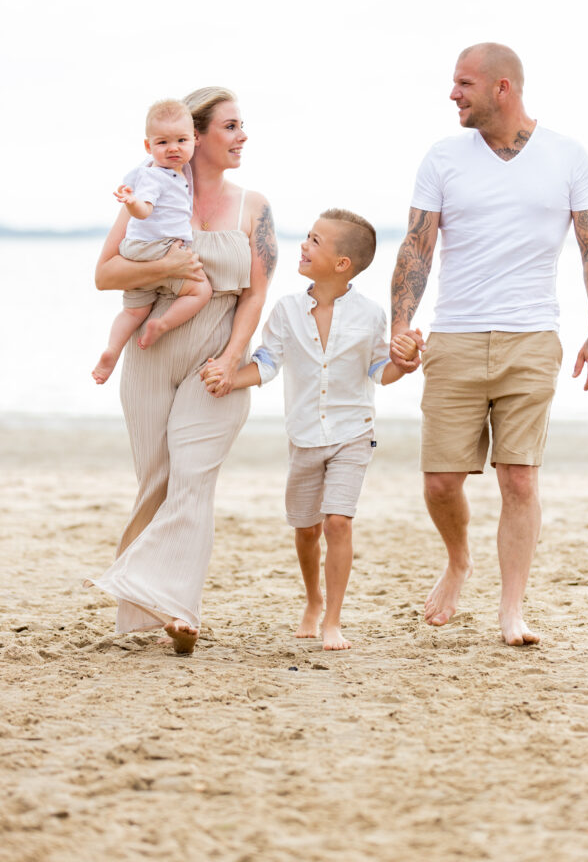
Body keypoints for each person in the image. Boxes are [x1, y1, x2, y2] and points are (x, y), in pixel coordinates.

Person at [390, 42, 588, 646]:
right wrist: (399, 325)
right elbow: (417, 247)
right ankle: (458, 561)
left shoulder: (568, 155)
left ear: (502, 89)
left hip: (531, 336)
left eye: (463, 83)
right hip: (455, 336)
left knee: (519, 478)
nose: (453, 94)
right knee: (441, 481)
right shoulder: (443, 157)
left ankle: (511, 610)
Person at [86, 86, 277, 654]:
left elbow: (256, 295)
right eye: (231, 127)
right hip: (149, 352)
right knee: (156, 483)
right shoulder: (150, 191)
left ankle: (178, 607)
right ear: (196, 138)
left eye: (242, 126)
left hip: (215, 358)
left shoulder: (254, 207)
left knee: (193, 478)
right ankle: (141, 614)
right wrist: (168, 262)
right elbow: (105, 274)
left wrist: (231, 356)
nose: (243, 137)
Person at [212, 209, 413, 650]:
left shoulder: (370, 315)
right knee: (307, 529)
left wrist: (405, 362)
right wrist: (229, 377)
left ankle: (333, 621)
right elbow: (266, 364)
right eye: (307, 237)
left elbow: (381, 370)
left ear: (343, 264)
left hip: (352, 433)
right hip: (303, 435)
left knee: (338, 521)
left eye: (316, 241)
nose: (304, 245)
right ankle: (313, 599)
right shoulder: (286, 311)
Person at [92, 99, 212, 385]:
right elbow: (144, 209)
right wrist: (133, 204)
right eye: (163, 142)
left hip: (138, 250)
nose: (173, 148)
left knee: (134, 310)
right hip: (156, 247)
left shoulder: (177, 171)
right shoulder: (155, 177)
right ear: (149, 147)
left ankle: (112, 350)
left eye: (181, 140)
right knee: (201, 291)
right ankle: (162, 324)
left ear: (194, 140)